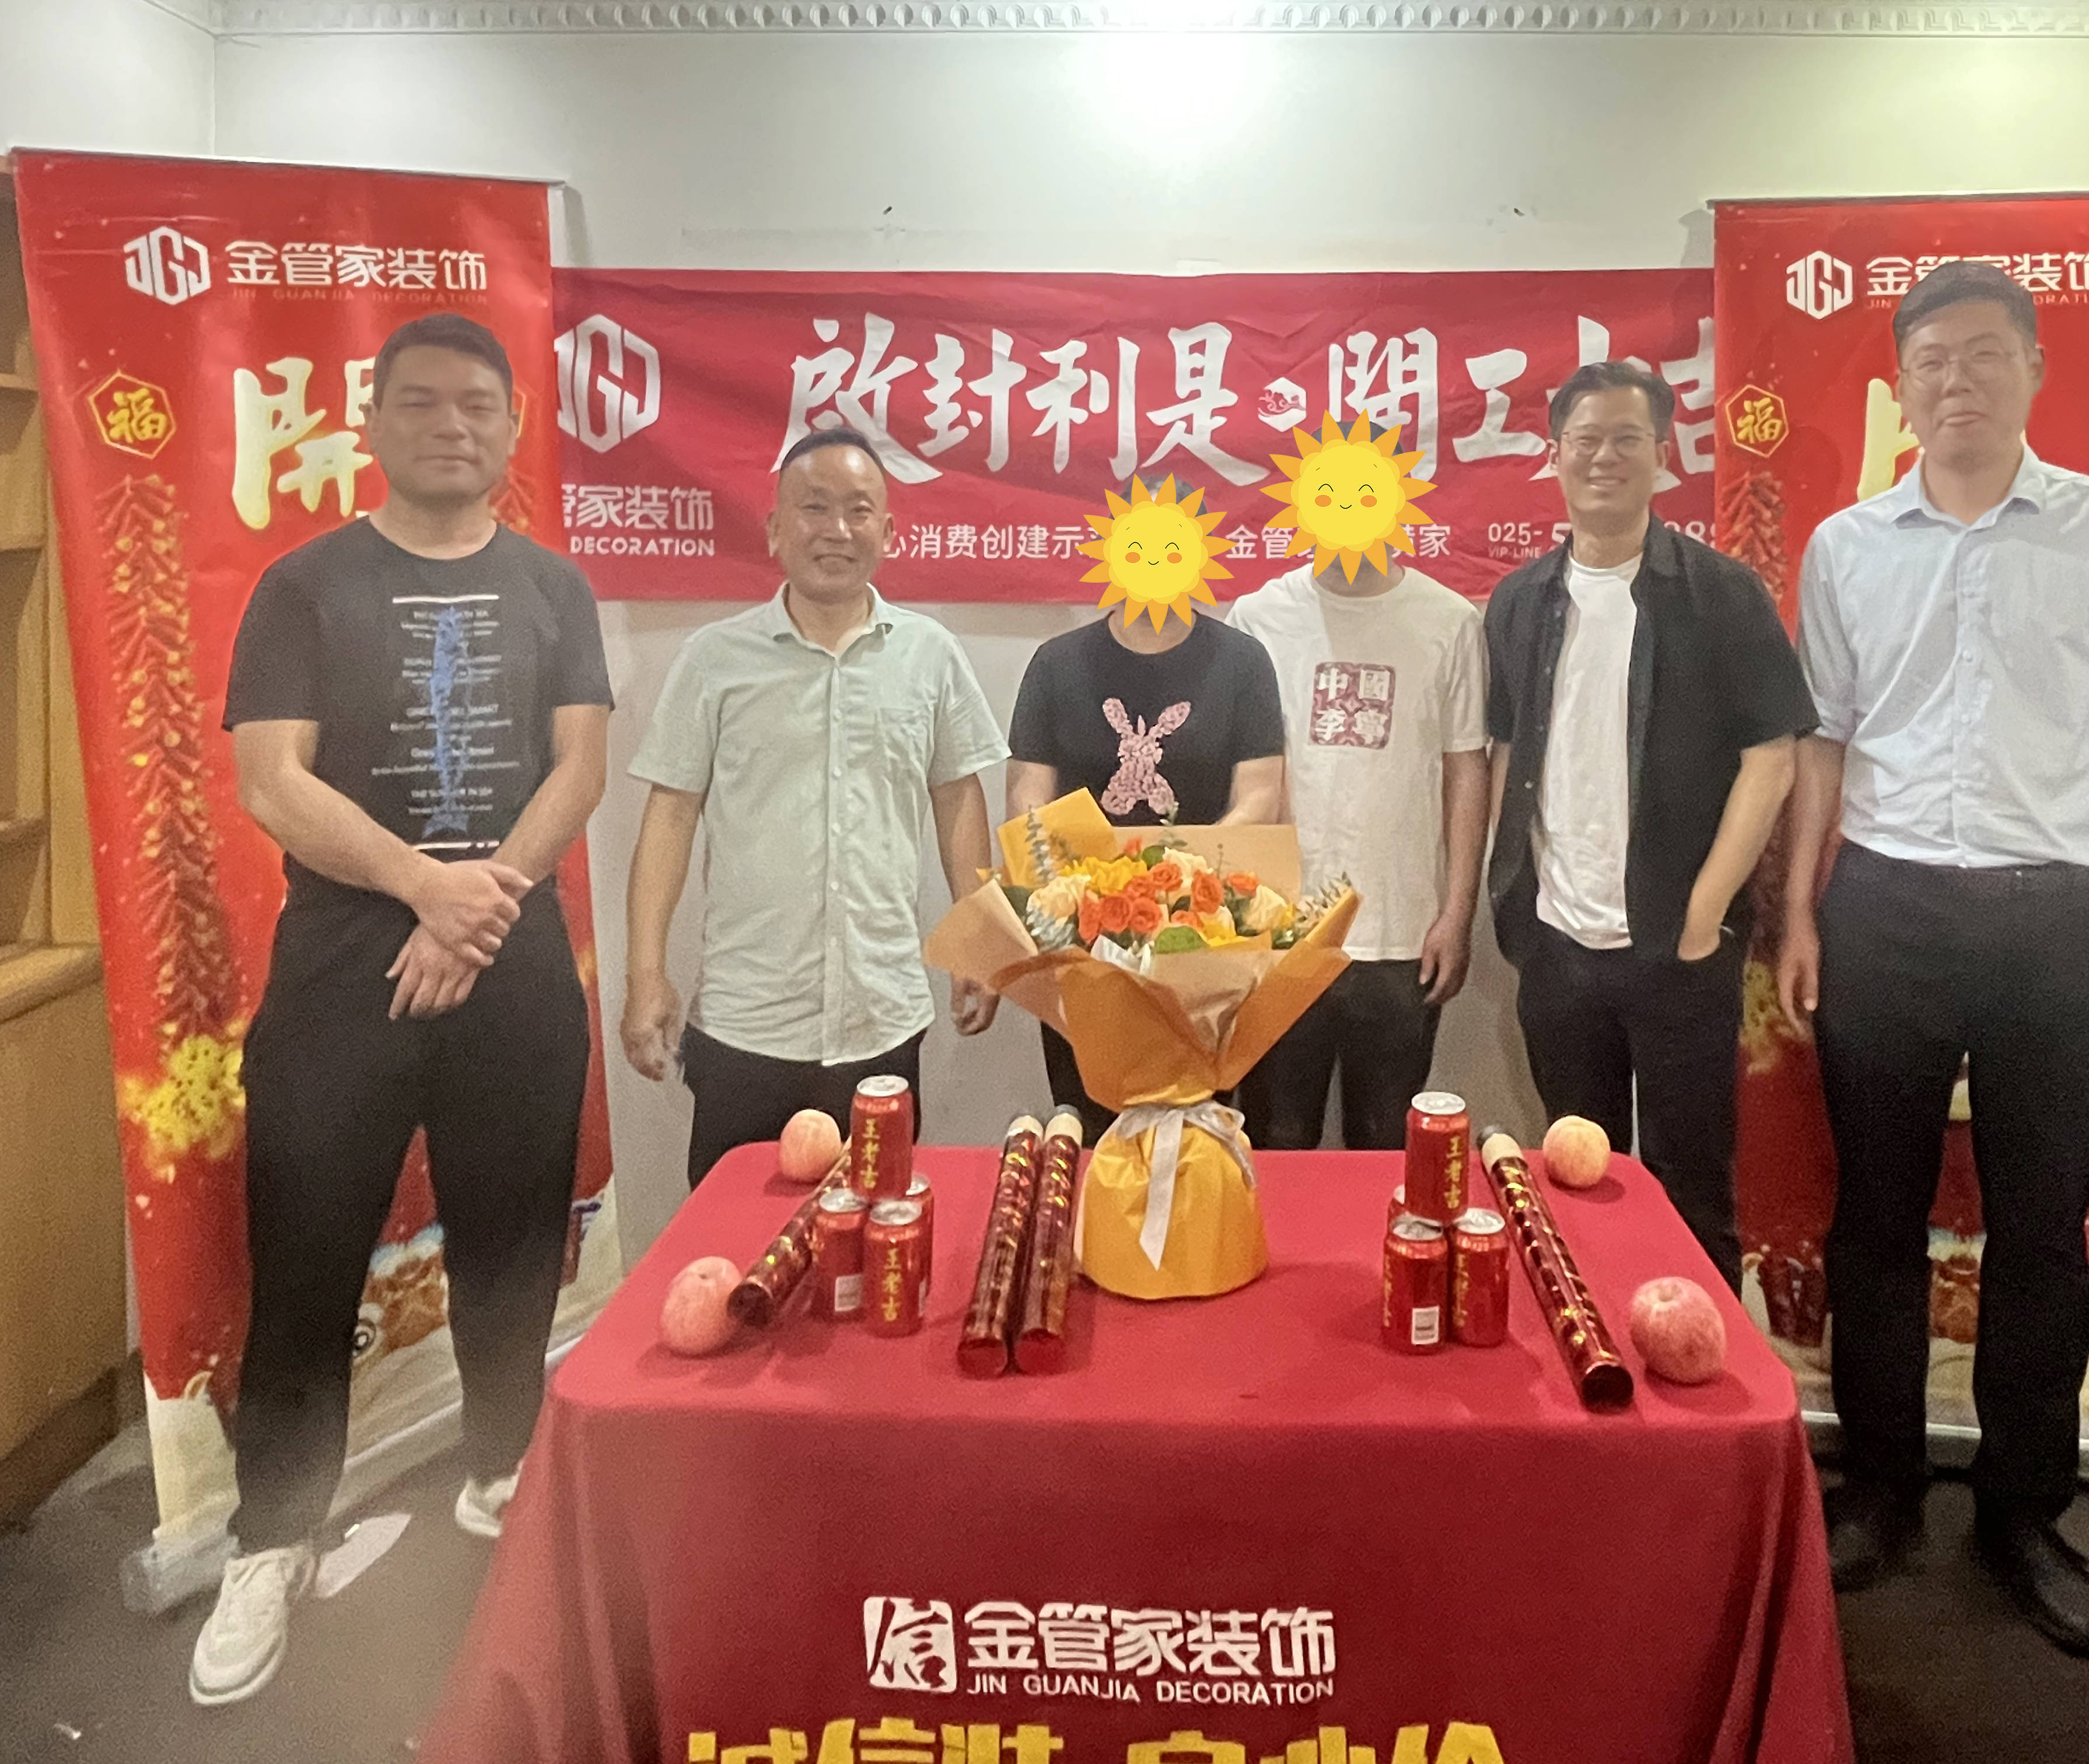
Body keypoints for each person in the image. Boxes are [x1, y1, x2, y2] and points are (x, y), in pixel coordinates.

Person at [1776, 260, 2089, 1658]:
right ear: (1901, 390)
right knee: (1875, 1221)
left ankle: (2026, 1516)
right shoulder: (1847, 546)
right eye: (1931, 362)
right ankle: (1881, 1489)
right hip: (1885, 910)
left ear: (2032, 371)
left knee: (2043, 1234)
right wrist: (1800, 913)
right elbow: (1824, 741)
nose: (1954, 381)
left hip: (2055, 919)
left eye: (1981, 355)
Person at [195, 314, 611, 1706]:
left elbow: (578, 766)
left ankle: (502, 1471)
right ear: (370, 424)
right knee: (306, 1252)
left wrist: (479, 903)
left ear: (512, 427)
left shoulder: (554, 588)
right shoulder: (305, 586)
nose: (451, 426)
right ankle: (273, 1539)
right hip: (341, 968)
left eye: (478, 406)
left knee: (515, 1243)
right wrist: (426, 889)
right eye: (421, 403)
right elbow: (273, 780)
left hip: (513, 959)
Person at [1485, 360, 1814, 1289]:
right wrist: (1512, 898)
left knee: (1689, 1186)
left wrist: (1704, 913)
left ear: (1662, 456)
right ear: (1555, 455)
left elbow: (1772, 758)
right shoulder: (1520, 602)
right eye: (1585, 440)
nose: (1605, 458)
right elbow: (1506, 752)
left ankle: (1700, 1373)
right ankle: (1593, 1351)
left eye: (1627, 439)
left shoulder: (1722, 594)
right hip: (1557, 945)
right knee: (1573, 1177)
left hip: (1681, 949)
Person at [621, 429, 1005, 1188]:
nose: (836, 529)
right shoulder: (714, 659)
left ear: (887, 532)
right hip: (746, 1020)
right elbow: (669, 818)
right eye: (814, 508)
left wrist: (980, 942)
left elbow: (958, 797)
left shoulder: (929, 654)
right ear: (774, 529)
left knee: (876, 1227)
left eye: (858, 511)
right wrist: (645, 974)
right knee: (734, 1235)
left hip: (881, 1015)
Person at [1004, 478, 1286, 1140]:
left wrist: (1175, 896)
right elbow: (1027, 798)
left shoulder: (1242, 663)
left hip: (1203, 945)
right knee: (1086, 1131)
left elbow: (1259, 796)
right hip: (1083, 950)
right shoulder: (1057, 664)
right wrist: (1082, 902)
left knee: (1198, 1134)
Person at [1226, 540, 1488, 1149]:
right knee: (1278, 1144)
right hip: (1281, 939)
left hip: (1403, 936)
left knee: (1387, 1146)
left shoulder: (1449, 620)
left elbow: (1465, 769)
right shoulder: (1257, 617)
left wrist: (1458, 913)